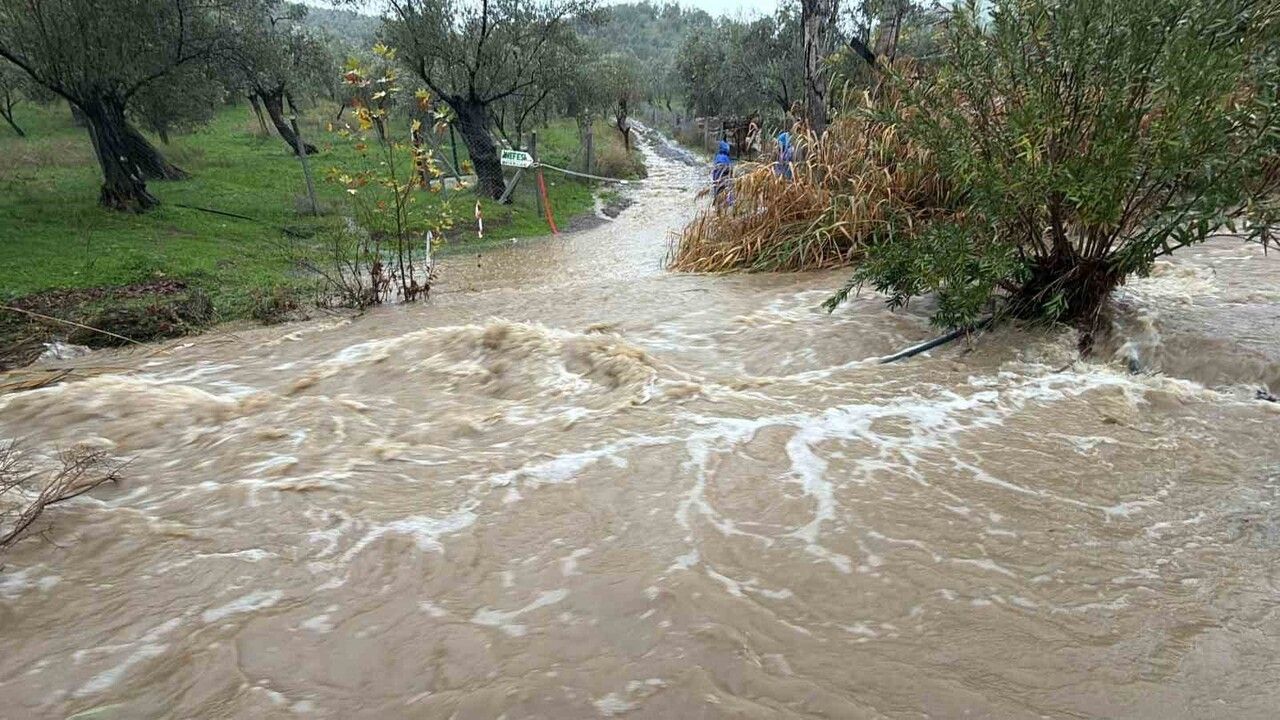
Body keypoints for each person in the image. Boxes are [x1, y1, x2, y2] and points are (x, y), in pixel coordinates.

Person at [712, 139, 733, 206]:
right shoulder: (726, 158)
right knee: (727, 188)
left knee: (717, 189)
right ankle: (729, 202)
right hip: (724, 176)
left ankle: (716, 201)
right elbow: (729, 168)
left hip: (716, 176)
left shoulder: (717, 156)